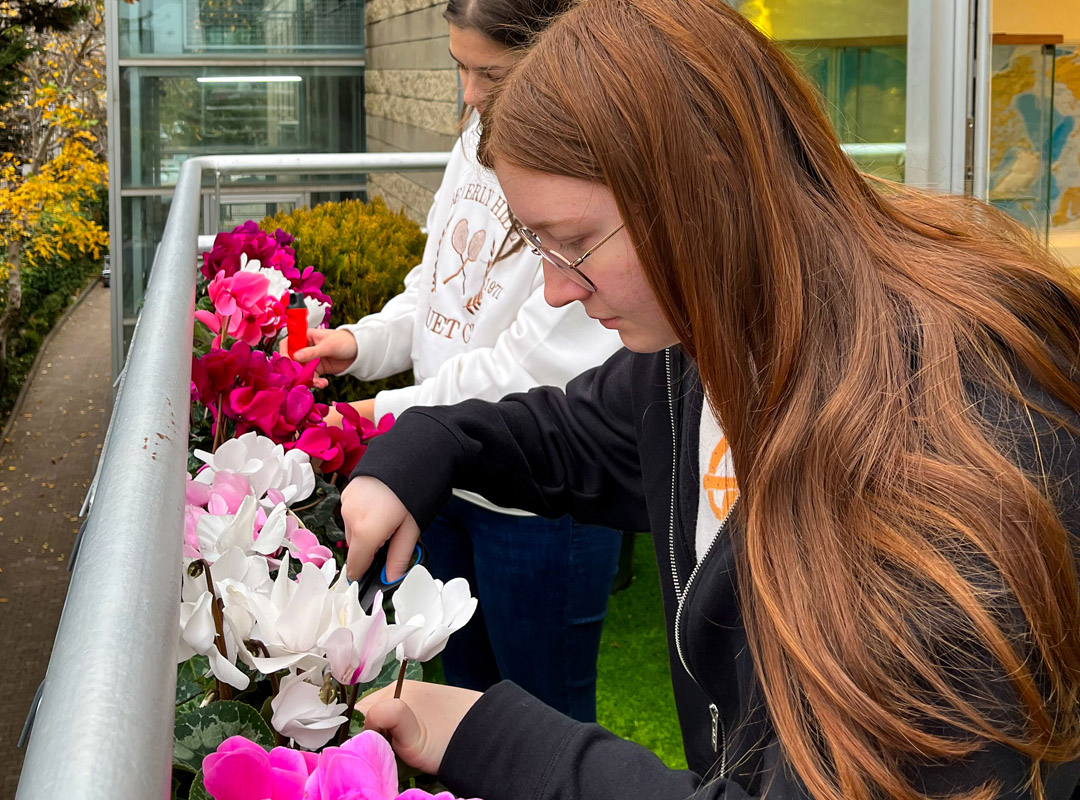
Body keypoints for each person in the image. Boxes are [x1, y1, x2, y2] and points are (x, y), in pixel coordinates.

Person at [341, 0, 1080, 798]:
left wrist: (503, 742)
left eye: (576, 242)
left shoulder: (955, 441)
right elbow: (572, 434)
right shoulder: (712, 337)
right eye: (537, 245)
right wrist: (421, 448)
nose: (554, 290)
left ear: (711, 188)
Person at [289, 0, 624, 722]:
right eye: (460, 68)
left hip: (541, 500)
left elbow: (524, 370)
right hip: (445, 478)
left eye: (490, 74)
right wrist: (361, 344)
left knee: (545, 720)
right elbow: (436, 282)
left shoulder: (590, 174)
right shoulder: (477, 135)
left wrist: (378, 414)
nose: (469, 96)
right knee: (462, 701)